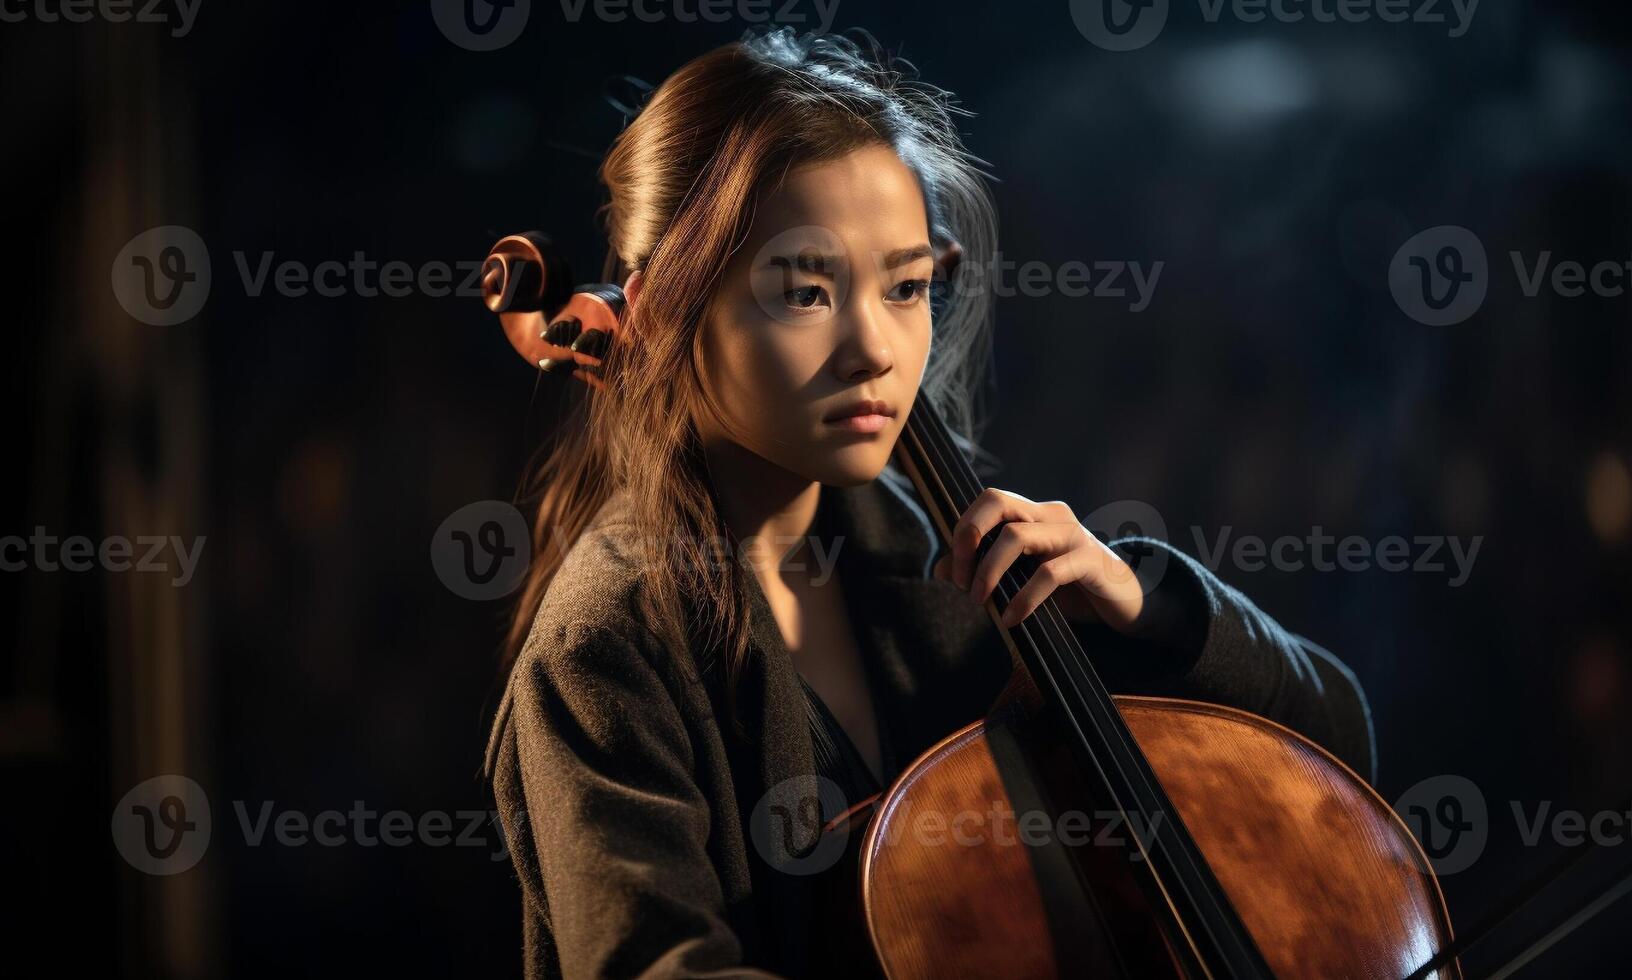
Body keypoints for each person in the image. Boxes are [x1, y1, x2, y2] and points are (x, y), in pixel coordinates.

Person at [484, 28, 1374, 979]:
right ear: (661, 308)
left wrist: (1148, 608)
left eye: (906, 286)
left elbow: (1334, 761)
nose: (877, 348)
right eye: (806, 291)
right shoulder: (604, 647)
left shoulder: (943, 566)